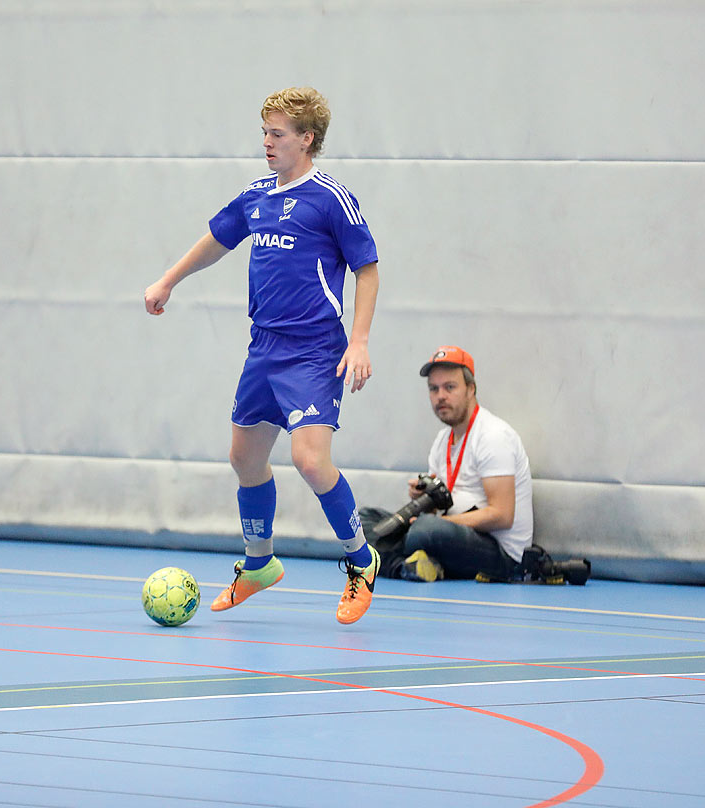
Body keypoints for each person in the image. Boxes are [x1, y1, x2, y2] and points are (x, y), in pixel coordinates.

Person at [144, 87, 382, 624]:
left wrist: (360, 339)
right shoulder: (256, 195)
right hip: (265, 347)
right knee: (245, 459)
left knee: (310, 460)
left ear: (307, 139)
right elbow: (217, 238)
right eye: (265, 134)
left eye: (278, 134)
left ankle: (361, 560)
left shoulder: (329, 198)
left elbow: (366, 267)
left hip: (315, 350)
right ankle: (259, 564)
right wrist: (168, 280)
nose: (268, 143)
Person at [369, 346, 533, 583]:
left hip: (501, 553)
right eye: (433, 389)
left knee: (424, 530)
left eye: (450, 387)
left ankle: (401, 561)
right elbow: (437, 508)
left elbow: (502, 515)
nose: (441, 396)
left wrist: (437, 523)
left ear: (471, 389)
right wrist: (422, 499)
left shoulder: (493, 436)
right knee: (365, 520)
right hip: (454, 536)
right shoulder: (442, 441)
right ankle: (409, 567)